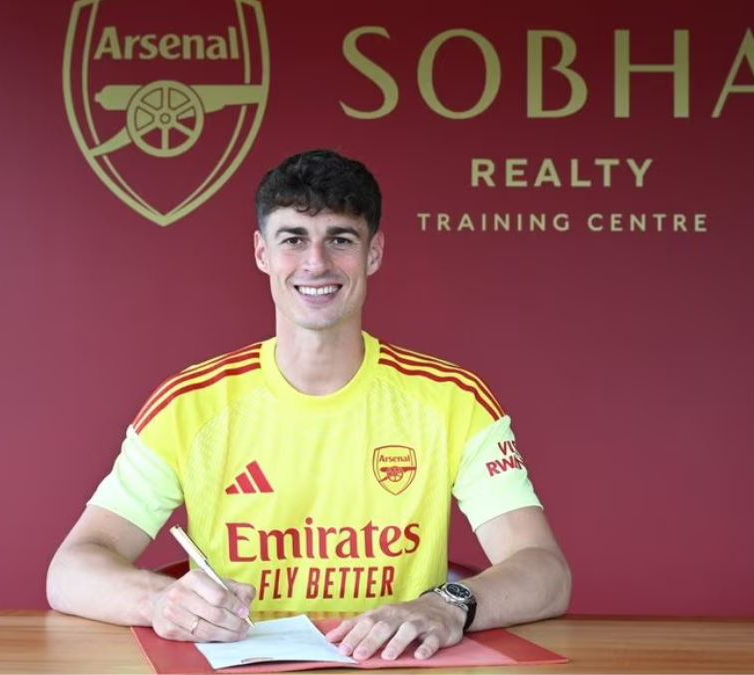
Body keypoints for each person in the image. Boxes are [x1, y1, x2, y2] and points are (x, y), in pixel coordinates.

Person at [46, 148, 571, 661]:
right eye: (293, 240)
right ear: (262, 252)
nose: (316, 263)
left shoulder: (453, 401)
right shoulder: (190, 405)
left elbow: (545, 571)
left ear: (373, 252)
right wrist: (159, 600)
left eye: (340, 239)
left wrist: (448, 603)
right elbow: (71, 569)